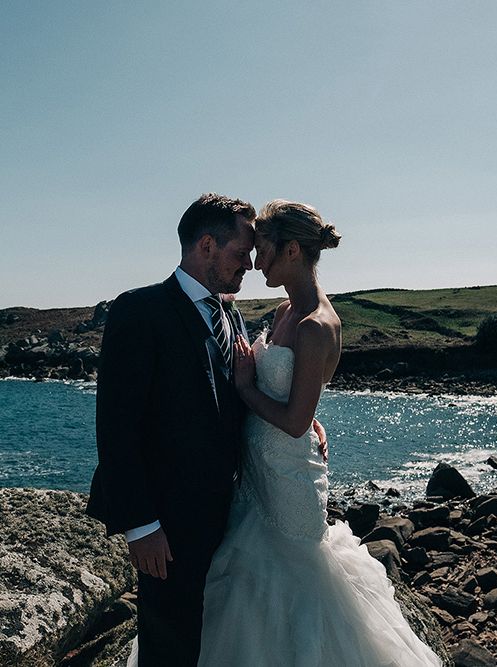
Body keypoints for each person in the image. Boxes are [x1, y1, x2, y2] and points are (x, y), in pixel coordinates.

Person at [197, 200, 441, 666]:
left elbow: (290, 421)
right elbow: (299, 403)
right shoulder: (284, 309)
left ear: (291, 250)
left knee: (296, 587)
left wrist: (247, 388)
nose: (255, 260)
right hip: (256, 475)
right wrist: (308, 416)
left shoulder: (317, 326)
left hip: (289, 479)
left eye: (263, 249)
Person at [87, 194, 326, 667]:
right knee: (167, 644)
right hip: (167, 526)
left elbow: (232, 396)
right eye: (242, 252)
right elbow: (116, 426)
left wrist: (303, 417)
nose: (250, 264)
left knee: (213, 638)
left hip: (231, 514)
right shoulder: (140, 310)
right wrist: (142, 525)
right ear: (207, 245)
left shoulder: (230, 314)